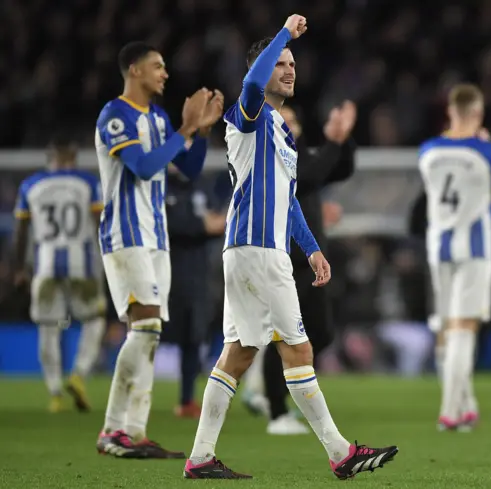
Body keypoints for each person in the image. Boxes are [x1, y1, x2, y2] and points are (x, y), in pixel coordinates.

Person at [184, 15, 398, 480]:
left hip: (254, 249)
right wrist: (282, 32)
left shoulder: (282, 133)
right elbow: (252, 80)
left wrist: (314, 249)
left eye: (292, 63)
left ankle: (200, 456)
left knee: (238, 354)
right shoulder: (249, 112)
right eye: (280, 63)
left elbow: (291, 202)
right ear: (262, 68)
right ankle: (341, 452)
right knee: (298, 350)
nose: (289, 69)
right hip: (258, 250)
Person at [94, 41, 223, 459]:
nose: (165, 73)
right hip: (125, 234)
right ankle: (113, 429)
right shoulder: (116, 115)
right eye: (157, 66)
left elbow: (187, 168)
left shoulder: (159, 118)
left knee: (148, 334)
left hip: (156, 237)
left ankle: (134, 431)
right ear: (134, 70)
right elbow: (144, 166)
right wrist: (185, 130)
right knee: (146, 328)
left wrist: (200, 132)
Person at [241, 102, 357, 435]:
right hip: (284, 259)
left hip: (308, 259)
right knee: (288, 337)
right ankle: (276, 410)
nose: (288, 125)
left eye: (293, 119)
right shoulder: (278, 157)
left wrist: (344, 139)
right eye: (283, 120)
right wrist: (334, 143)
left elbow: (340, 169)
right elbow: (311, 176)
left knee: (320, 333)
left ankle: (269, 391)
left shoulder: (303, 154)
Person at [418, 84, 491, 432]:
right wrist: (487, 149)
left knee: (446, 327)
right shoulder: (487, 151)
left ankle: (467, 403)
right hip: (474, 248)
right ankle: (450, 411)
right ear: (478, 113)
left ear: (450, 111)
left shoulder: (427, 151)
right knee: (464, 327)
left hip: (438, 246)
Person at [12, 134, 107, 413]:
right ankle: (79, 373)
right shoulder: (88, 182)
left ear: (49, 159)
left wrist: (18, 267)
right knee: (94, 318)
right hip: (83, 263)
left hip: (45, 264)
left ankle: (55, 393)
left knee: (48, 327)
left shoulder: (31, 185)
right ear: (74, 157)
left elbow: (20, 232)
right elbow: (98, 222)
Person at [164, 163, 227, 419]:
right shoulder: (159, 186)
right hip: (166, 273)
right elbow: (169, 226)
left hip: (198, 274)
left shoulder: (201, 185)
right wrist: (200, 226)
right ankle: (134, 400)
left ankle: (187, 399)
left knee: (194, 337)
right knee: (147, 335)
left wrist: (201, 226)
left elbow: (217, 222)